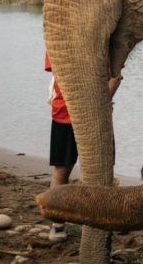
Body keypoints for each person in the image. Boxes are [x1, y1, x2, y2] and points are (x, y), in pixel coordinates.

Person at [44, 52, 122, 242]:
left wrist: (101, 102)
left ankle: (100, 222)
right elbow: (61, 74)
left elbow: (116, 76)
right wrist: (90, 105)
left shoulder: (105, 36)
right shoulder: (60, 36)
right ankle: (58, 222)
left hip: (97, 114)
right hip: (66, 114)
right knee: (62, 169)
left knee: (103, 171)